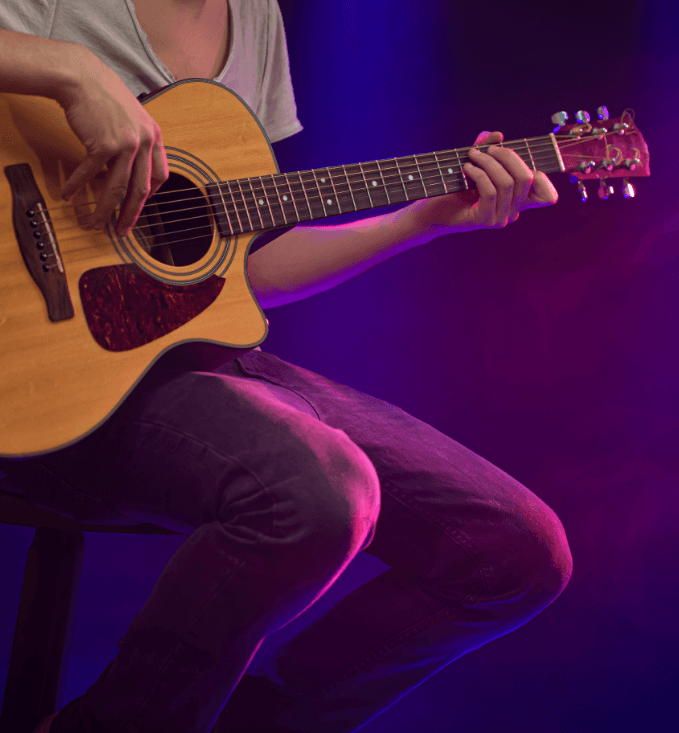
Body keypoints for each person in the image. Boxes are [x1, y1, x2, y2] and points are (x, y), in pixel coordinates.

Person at [0, 1, 573, 732]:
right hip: (41, 384)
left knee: (514, 551)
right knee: (315, 493)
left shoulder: (252, 16)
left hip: (179, 359)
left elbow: (248, 261)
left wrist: (420, 218)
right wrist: (71, 68)